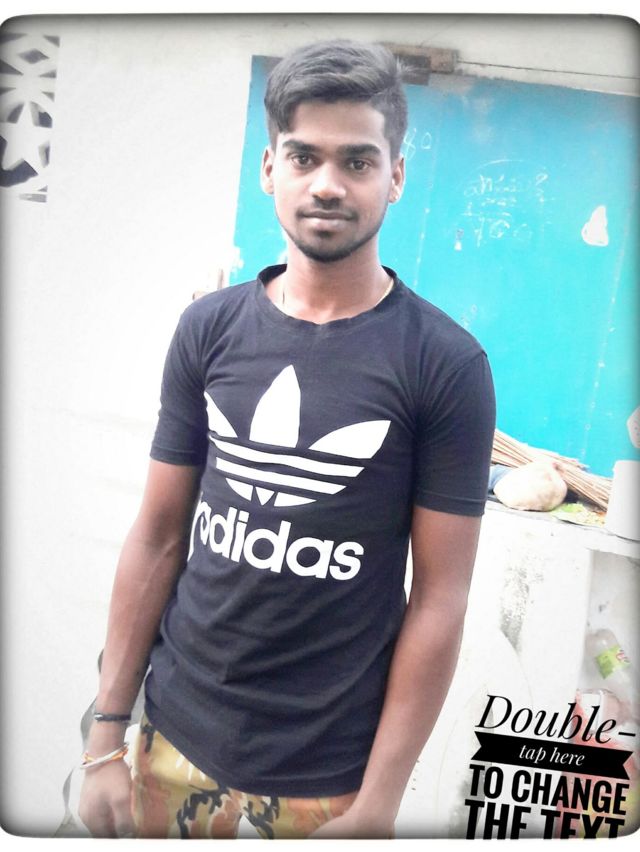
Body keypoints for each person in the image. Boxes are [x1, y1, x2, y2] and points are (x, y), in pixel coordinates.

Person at [78, 39, 496, 840]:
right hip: (168, 740)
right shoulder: (209, 330)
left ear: (395, 177)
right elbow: (159, 536)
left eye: (358, 161)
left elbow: (440, 597)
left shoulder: (444, 365)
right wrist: (106, 735)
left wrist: (379, 805)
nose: (327, 184)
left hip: (324, 782)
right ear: (270, 168)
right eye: (304, 157)